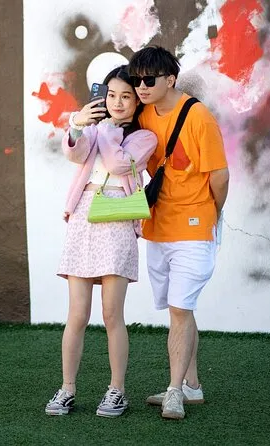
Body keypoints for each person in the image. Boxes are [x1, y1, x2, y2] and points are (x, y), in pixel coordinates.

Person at [45, 65, 157, 418]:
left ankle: (117, 391)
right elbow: (75, 154)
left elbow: (118, 163)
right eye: (111, 95)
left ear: (137, 102)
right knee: (77, 314)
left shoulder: (144, 138)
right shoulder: (94, 129)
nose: (117, 102)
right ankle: (67, 389)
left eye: (126, 96)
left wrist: (106, 128)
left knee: (112, 314)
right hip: (83, 218)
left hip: (118, 219)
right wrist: (78, 125)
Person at [128, 46, 229, 420]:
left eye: (149, 79)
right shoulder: (142, 114)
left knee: (180, 309)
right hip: (157, 228)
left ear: (170, 79)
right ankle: (192, 386)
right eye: (137, 79)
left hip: (193, 228)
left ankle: (174, 392)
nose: (141, 86)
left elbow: (220, 176)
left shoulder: (198, 117)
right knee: (180, 311)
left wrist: (211, 214)